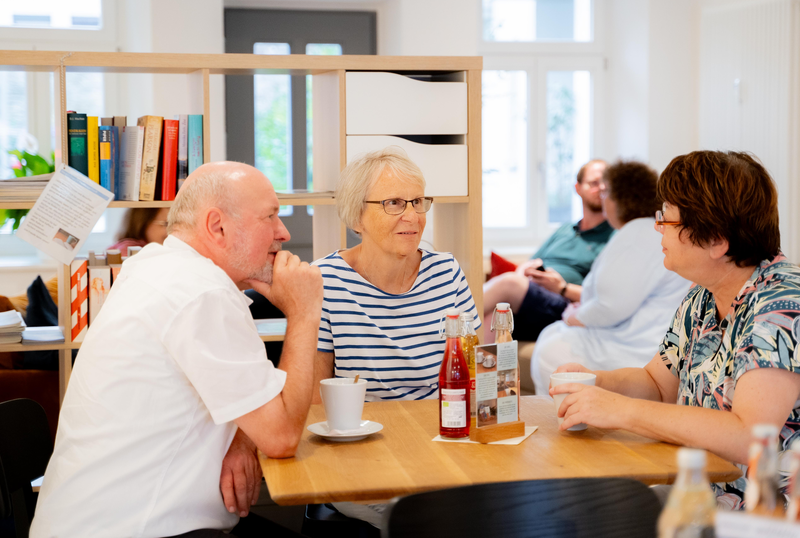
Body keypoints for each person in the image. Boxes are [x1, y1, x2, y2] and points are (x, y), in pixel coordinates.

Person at [30, 162, 323, 538]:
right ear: (217, 226)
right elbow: (281, 438)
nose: (283, 233)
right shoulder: (203, 294)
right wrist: (303, 313)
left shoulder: (153, 267)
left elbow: (250, 404)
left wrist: (243, 436)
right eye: (270, 216)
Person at [550, 151, 800, 510]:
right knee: (585, 509)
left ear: (715, 240)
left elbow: (748, 435)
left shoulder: (782, 304)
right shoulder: (704, 294)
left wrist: (621, 411)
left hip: (765, 513)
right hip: (704, 493)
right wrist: (596, 382)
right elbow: (656, 384)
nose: (657, 227)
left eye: (666, 218)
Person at [312, 148, 480, 402]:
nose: (412, 216)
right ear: (357, 217)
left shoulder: (447, 272)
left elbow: (474, 372)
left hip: (438, 427)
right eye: (394, 203)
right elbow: (314, 397)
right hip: (359, 431)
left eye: (417, 202)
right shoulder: (323, 281)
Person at [531, 161, 691, 394]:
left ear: (619, 199)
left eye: (605, 192)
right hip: (641, 338)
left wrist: (574, 316)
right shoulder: (639, 231)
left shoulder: (636, 234)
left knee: (553, 348)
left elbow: (609, 306)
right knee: (552, 337)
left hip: (638, 348)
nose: (603, 200)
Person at [483, 159, 614, 341]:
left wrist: (562, 288)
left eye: (605, 183)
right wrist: (523, 272)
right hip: (531, 298)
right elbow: (532, 261)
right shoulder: (565, 229)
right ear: (578, 188)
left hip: (564, 303)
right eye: (593, 183)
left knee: (509, 284)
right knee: (495, 316)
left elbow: (607, 296)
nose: (600, 188)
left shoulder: (613, 236)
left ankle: (448, 321)